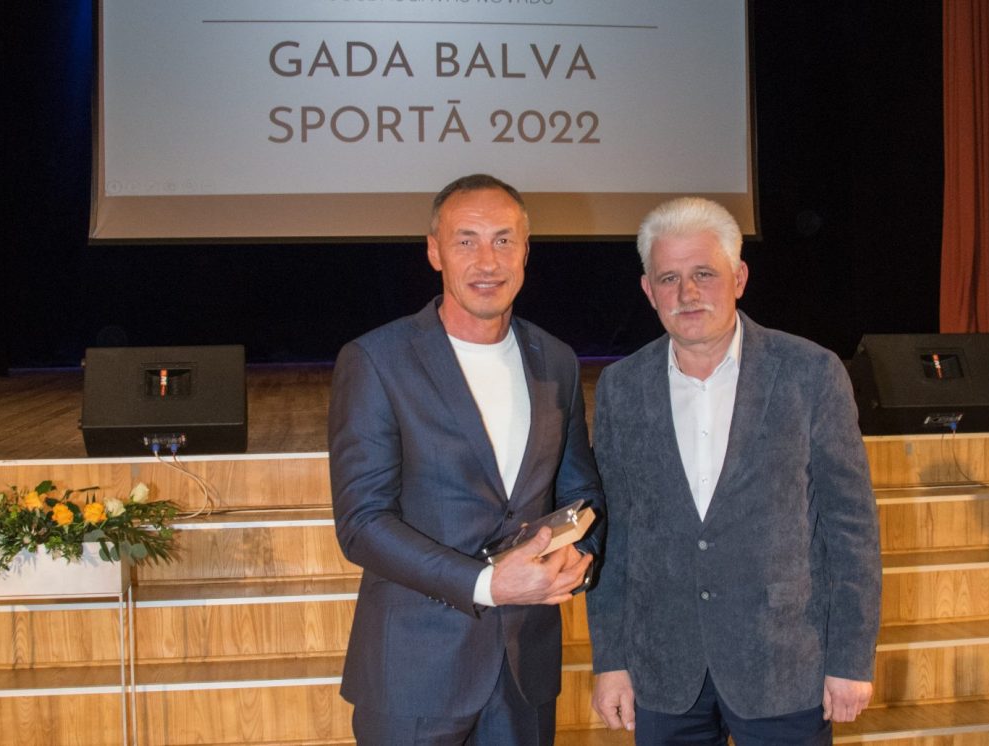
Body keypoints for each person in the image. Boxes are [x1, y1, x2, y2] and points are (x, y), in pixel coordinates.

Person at [586, 197, 881, 745]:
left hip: (783, 665)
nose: (687, 293)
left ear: (739, 277)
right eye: (669, 278)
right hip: (662, 670)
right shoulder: (621, 388)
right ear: (648, 290)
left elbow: (851, 529)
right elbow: (615, 536)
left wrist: (851, 659)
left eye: (704, 273)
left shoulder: (810, 373)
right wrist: (612, 660)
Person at [328, 173, 604, 745]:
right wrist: (487, 584)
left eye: (504, 240)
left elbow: (581, 490)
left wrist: (580, 552)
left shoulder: (555, 359)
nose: (487, 261)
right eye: (466, 241)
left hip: (525, 673)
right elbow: (362, 523)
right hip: (414, 676)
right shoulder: (377, 360)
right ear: (435, 252)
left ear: (525, 251)